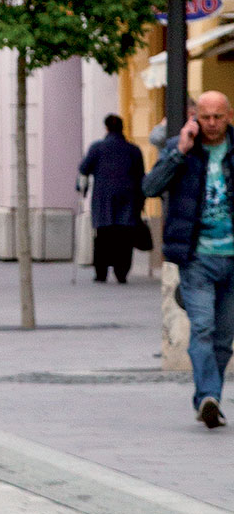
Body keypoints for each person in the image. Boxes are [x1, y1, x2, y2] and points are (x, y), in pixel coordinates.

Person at [147, 89, 234, 427]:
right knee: (203, 328)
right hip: (196, 256)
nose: (211, 124)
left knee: (224, 339)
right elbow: (150, 187)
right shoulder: (178, 148)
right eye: (205, 117)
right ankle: (210, 396)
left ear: (228, 116)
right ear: (195, 117)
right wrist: (179, 153)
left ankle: (206, 398)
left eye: (218, 117)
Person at [78, 112, 147, 286]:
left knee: (103, 237)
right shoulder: (133, 150)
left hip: (103, 201)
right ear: (122, 128)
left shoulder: (97, 148)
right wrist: (141, 202)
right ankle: (121, 272)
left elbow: (84, 169)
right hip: (128, 200)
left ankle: (101, 273)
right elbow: (141, 177)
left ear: (106, 128)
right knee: (124, 238)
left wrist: (81, 188)